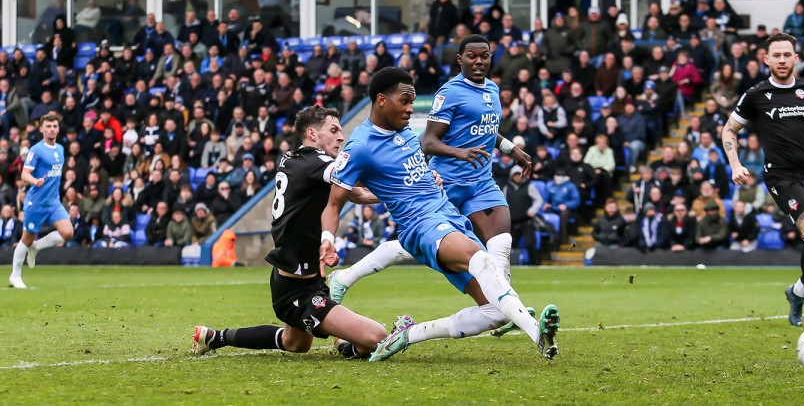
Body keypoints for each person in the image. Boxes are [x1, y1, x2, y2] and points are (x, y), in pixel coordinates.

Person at [323, 68, 560, 361]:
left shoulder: (404, 131)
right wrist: (327, 238)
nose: (411, 108)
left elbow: (404, 174)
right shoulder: (360, 146)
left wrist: (429, 176)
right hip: (422, 226)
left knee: (494, 313)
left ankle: (408, 334)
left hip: (448, 214)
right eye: (405, 101)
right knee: (483, 261)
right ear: (382, 100)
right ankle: (537, 333)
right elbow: (335, 203)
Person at [192, 106, 391, 360]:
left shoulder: (298, 161)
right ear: (312, 134)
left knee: (295, 343)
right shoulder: (315, 162)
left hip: (303, 278)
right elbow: (352, 177)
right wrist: (404, 177)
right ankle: (348, 345)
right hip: (296, 287)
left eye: (341, 131)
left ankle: (215, 337)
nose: (341, 137)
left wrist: (402, 191)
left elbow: (359, 193)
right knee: (376, 337)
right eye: (334, 130)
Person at [721, 32, 804, 327]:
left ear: (796, 58)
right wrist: (735, 164)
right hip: (781, 176)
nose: (782, 60)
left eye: (788, 55)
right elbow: (729, 130)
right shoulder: (756, 95)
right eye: (777, 55)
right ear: (766, 60)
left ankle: (796, 291)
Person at [9, 112, 73, 289]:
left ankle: (37, 247)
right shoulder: (36, 149)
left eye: (54, 126)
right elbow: (24, 174)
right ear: (42, 129)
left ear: (58, 129)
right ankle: (15, 276)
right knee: (26, 239)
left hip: (53, 202)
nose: (52, 129)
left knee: (68, 232)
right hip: (36, 202)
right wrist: (35, 181)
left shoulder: (60, 149)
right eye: (48, 127)